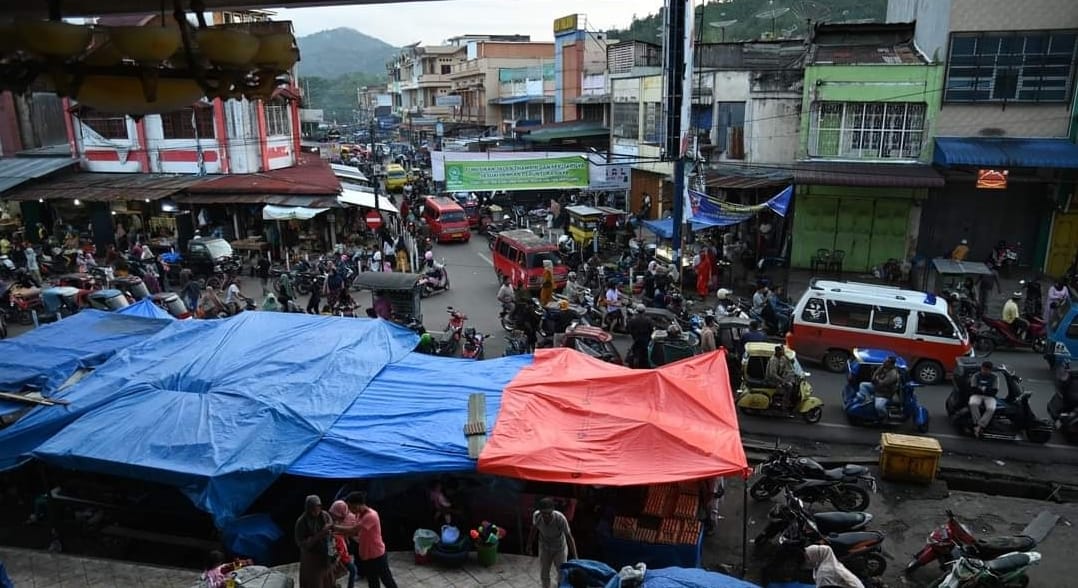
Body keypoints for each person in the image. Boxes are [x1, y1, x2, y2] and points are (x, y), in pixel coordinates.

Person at [343, 491, 397, 588]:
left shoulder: (371, 515)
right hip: (366, 555)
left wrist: (334, 527)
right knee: (372, 582)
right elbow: (356, 533)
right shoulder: (359, 515)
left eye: (351, 507)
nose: (350, 510)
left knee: (387, 580)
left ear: (358, 505)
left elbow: (353, 530)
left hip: (377, 555)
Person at [527, 497, 578, 588]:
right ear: (540, 512)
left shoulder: (560, 519)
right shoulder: (537, 516)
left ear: (553, 511)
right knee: (544, 571)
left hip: (559, 548)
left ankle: (560, 585)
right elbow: (533, 530)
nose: (546, 516)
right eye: (544, 513)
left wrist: (575, 557)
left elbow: (569, 537)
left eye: (549, 513)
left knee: (562, 571)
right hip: (544, 546)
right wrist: (529, 544)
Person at [294, 495, 335, 588]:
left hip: (325, 556)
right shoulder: (302, 522)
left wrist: (332, 552)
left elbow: (331, 533)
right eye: (313, 509)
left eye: (318, 508)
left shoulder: (325, 516)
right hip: (312, 559)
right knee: (315, 582)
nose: (316, 511)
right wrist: (320, 534)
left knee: (328, 582)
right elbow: (302, 543)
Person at [328, 501, 358, 588]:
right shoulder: (334, 529)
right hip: (342, 557)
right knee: (351, 570)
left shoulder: (347, 520)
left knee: (351, 570)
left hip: (343, 555)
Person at [969, 361, 1000, 437]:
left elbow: (994, 391)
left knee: (991, 408)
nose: (984, 371)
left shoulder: (995, 377)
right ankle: (976, 423)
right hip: (977, 395)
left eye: (987, 370)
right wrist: (985, 390)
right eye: (983, 369)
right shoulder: (976, 376)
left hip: (989, 397)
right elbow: (973, 389)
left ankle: (980, 426)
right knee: (972, 403)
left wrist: (983, 389)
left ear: (990, 370)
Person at [766, 345, 797, 409]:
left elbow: (787, 364)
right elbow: (773, 374)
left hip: (776, 378)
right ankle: (784, 404)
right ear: (777, 352)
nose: (782, 352)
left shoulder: (780, 358)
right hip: (771, 380)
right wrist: (782, 380)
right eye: (781, 351)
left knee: (790, 382)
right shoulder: (773, 360)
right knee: (789, 386)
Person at [627, 304, 653, 369]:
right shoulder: (648, 320)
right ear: (644, 311)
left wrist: (634, 336)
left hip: (636, 339)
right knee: (645, 354)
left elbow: (630, 330)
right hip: (645, 339)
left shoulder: (632, 320)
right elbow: (651, 330)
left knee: (635, 353)